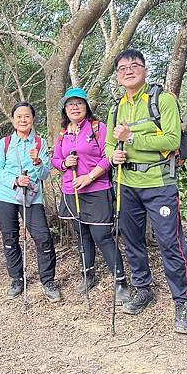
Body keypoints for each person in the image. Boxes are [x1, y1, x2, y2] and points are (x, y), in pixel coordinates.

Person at [105, 49, 187, 334]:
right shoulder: (116, 108)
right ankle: (142, 288)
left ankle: (183, 302)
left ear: (144, 69)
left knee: (170, 243)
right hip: (127, 183)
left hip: (159, 183)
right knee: (131, 241)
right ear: (117, 75)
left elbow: (172, 139)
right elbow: (109, 145)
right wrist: (112, 157)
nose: (128, 71)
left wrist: (131, 138)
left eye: (134, 66)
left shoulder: (163, 100)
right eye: (122, 68)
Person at [52, 87, 131, 303]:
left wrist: (90, 177)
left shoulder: (98, 128)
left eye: (79, 103)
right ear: (65, 110)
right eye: (70, 104)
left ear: (86, 106)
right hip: (71, 190)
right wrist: (65, 163)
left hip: (97, 190)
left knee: (102, 236)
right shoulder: (63, 133)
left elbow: (109, 158)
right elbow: (56, 160)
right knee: (81, 234)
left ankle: (120, 281)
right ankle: (88, 274)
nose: (75, 107)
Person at [0, 101, 61, 303]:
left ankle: (47, 280)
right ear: (13, 120)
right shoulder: (4, 143)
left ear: (32, 119)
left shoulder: (38, 143)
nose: (23, 120)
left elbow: (45, 174)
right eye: (19, 116)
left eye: (27, 116)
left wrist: (38, 163)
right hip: (5, 195)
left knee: (42, 237)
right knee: (10, 238)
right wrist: (14, 180)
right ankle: (16, 279)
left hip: (32, 196)